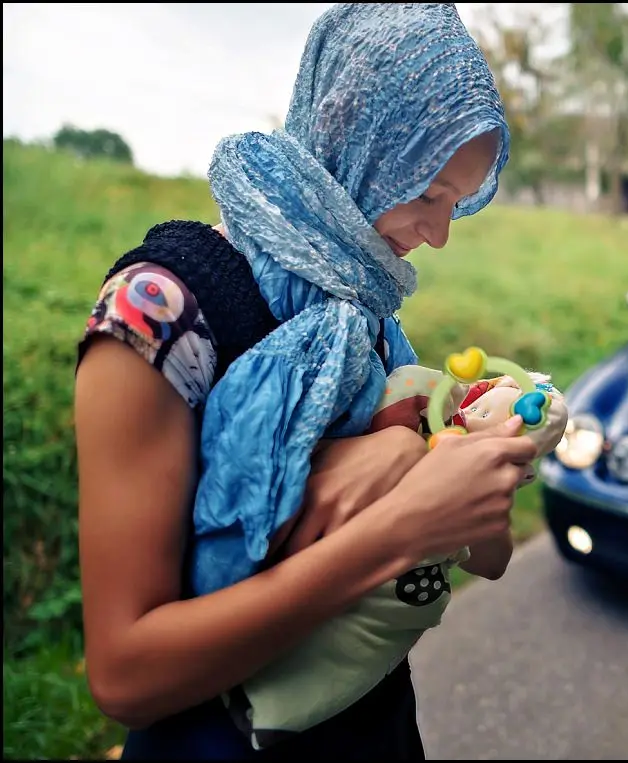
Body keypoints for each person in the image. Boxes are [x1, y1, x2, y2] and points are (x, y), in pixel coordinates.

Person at [72, 4, 537, 760]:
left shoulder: (372, 319)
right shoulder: (156, 315)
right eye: (428, 194)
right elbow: (126, 676)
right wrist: (400, 527)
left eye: (457, 205)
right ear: (354, 135)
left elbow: (487, 554)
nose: (440, 235)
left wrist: (464, 469)